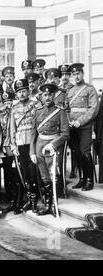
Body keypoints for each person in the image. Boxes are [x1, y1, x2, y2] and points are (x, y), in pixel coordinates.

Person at [30, 83, 69, 216]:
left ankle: (54, 204)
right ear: (41, 96)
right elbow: (33, 133)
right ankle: (47, 204)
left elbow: (65, 134)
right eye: (45, 95)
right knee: (44, 177)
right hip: (39, 147)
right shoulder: (37, 111)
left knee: (53, 177)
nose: (47, 97)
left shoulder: (60, 111)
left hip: (52, 148)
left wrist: (53, 144)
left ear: (54, 95)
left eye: (50, 95)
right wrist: (32, 151)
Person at [65, 63, 99, 191]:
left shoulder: (89, 89)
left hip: (84, 125)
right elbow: (67, 108)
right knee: (76, 152)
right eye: (74, 74)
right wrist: (69, 121)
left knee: (85, 151)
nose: (77, 76)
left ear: (83, 74)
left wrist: (80, 121)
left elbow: (93, 109)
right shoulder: (71, 90)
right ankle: (82, 179)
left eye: (79, 73)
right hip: (73, 126)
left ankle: (89, 180)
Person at [10, 78, 39, 213]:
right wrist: (13, 145)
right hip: (21, 143)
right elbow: (12, 129)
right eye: (19, 92)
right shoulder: (14, 109)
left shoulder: (36, 105)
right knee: (25, 173)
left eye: (24, 91)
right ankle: (29, 199)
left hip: (33, 143)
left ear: (28, 91)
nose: (21, 94)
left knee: (34, 173)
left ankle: (36, 200)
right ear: (16, 95)